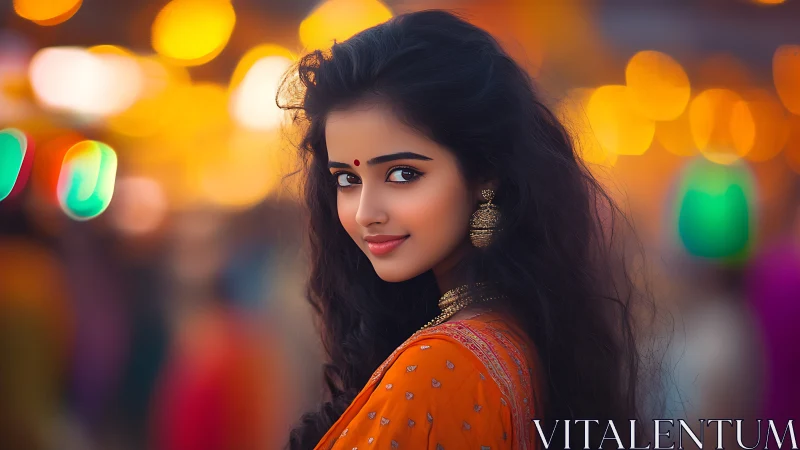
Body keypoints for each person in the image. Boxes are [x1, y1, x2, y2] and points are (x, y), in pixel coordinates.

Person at [278, 9, 660, 450]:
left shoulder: (440, 366)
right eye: (347, 178)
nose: (365, 213)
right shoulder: (513, 330)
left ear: (484, 175)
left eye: (402, 174)